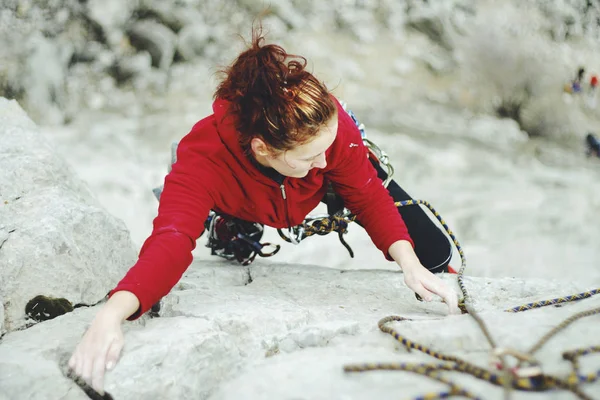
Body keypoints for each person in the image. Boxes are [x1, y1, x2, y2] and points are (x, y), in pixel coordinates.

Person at [68, 28, 460, 394]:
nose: (325, 157)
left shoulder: (331, 136)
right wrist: (111, 314)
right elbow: (169, 244)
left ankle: (321, 185)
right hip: (243, 193)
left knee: (433, 254)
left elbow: (368, 197)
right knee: (235, 246)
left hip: (310, 187)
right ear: (262, 148)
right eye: (311, 153)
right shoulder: (203, 161)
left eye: (327, 144)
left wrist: (409, 264)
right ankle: (225, 218)